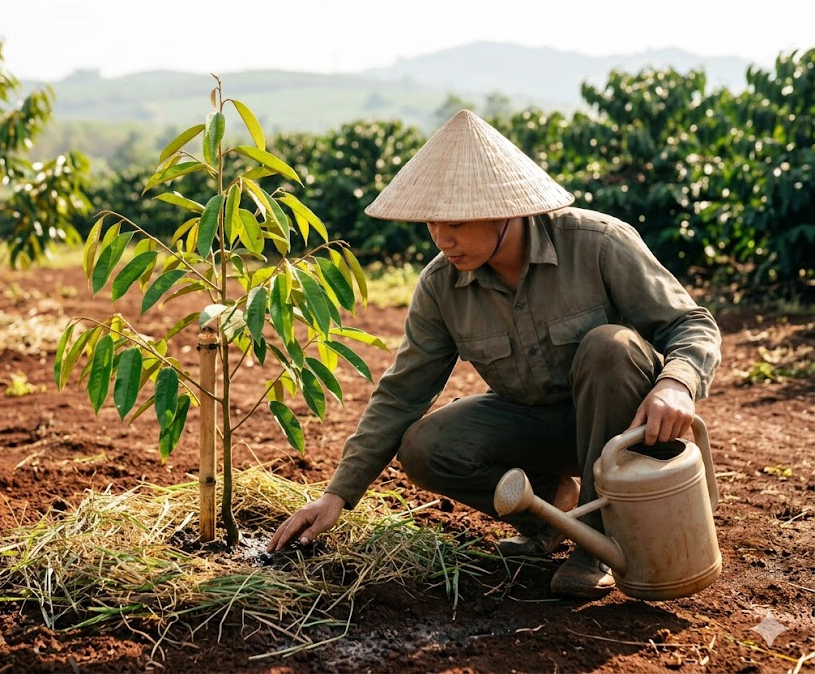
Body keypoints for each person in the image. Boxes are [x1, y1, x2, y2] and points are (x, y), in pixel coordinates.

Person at [266, 109, 721, 598]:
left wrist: (676, 384)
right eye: (431, 226)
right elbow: (402, 393)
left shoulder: (597, 243)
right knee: (424, 446)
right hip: (539, 428)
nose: (443, 240)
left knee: (609, 347)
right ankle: (551, 514)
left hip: (624, 435)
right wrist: (338, 494)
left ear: (506, 209)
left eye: (457, 223)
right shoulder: (442, 285)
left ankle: (601, 543)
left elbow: (692, 324)